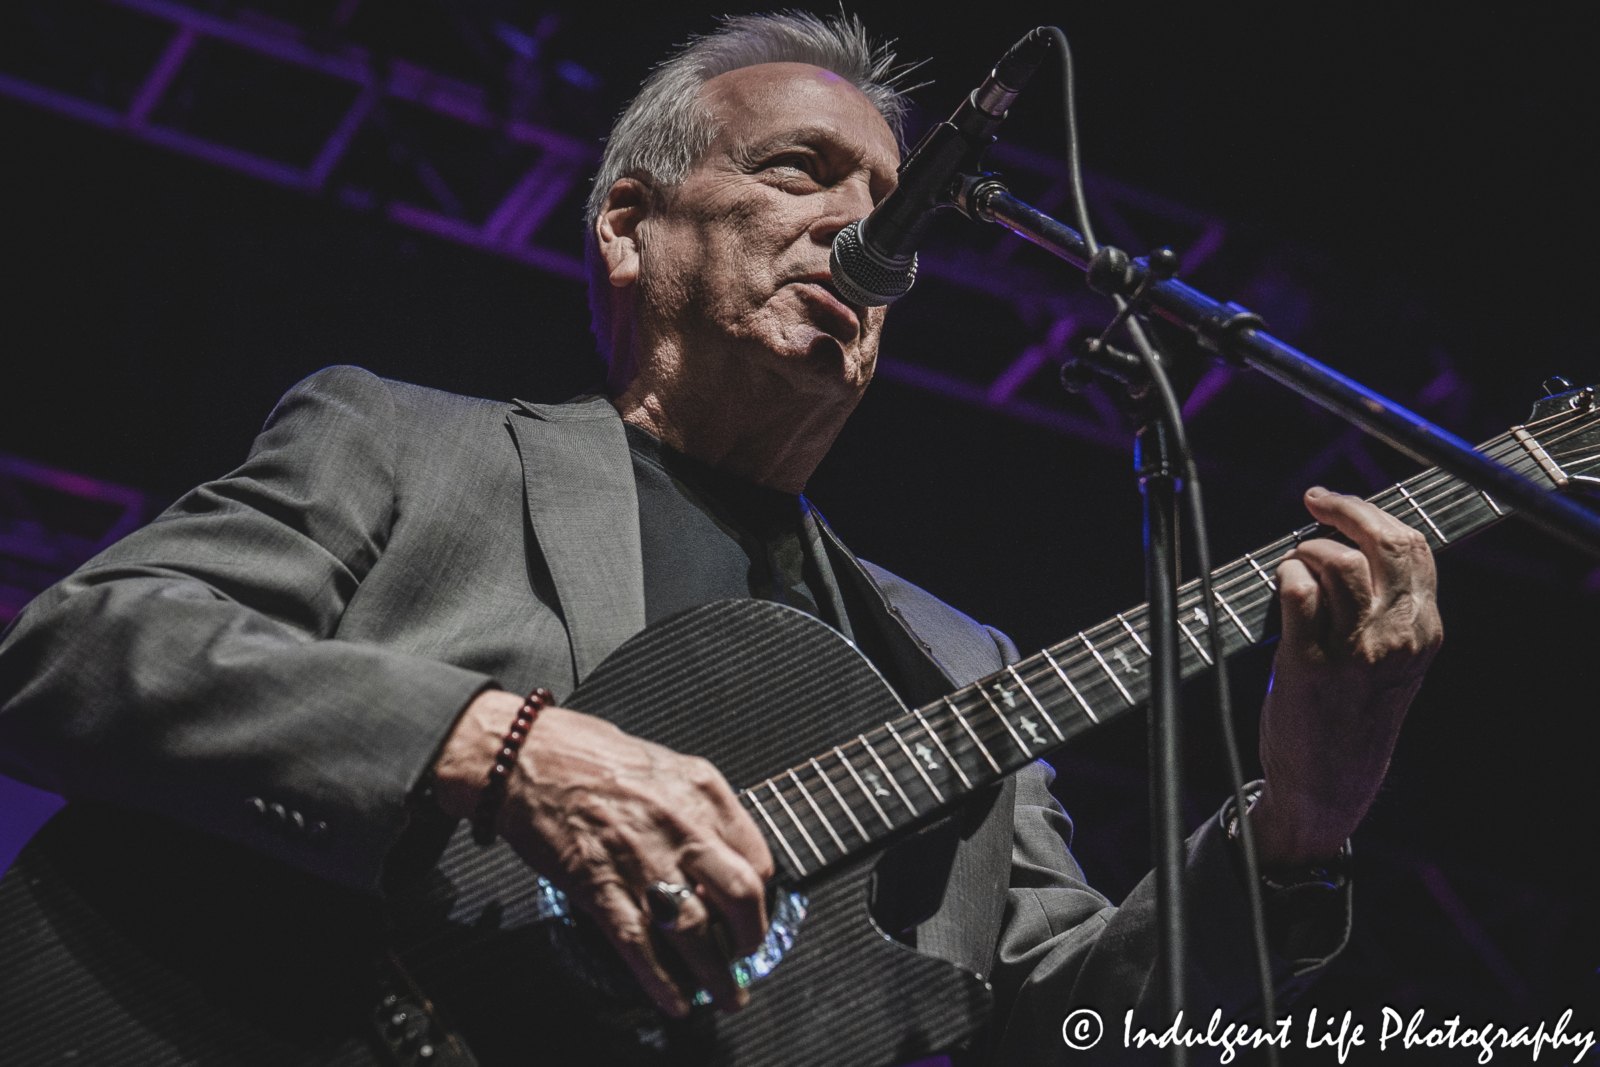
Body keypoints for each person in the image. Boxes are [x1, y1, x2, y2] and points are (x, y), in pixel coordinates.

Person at [0, 12, 1440, 1065]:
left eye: (892, 213)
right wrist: (500, 748)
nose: (859, 232)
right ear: (628, 224)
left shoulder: (956, 662)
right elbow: (76, 653)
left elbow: (1060, 1037)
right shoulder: (404, 442)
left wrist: (1298, 835)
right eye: (802, 172)